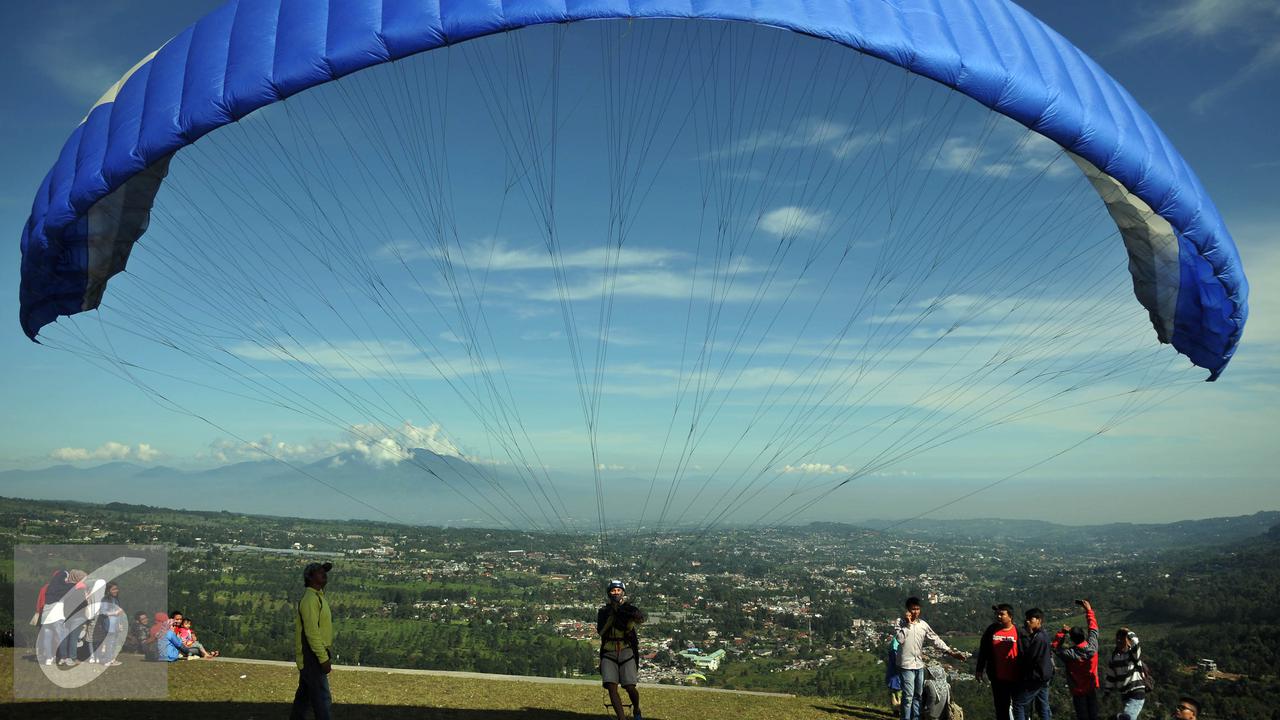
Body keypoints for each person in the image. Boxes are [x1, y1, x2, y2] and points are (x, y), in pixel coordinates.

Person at [894, 597, 968, 720]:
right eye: (913, 609)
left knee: (918, 695)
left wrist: (950, 652)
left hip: (918, 664)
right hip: (905, 665)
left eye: (917, 609)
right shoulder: (900, 622)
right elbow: (900, 639)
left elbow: (935, 639)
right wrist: (908, 624)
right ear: (907, 610)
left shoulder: (923, 625)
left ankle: (916, 717)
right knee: (908, 696)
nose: (915, 612)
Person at [597, 579, 645, 720]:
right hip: (608, 651)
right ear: (609, 593)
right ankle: (621, 718)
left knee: (630, 686)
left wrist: (634, 615)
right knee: (611, 687)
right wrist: (612, 617)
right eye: (613, 590)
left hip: (626, 650)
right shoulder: (604, 612)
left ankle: (636, 708)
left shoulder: (629, 609)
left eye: (618, 590)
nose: (616, 593)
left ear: (623, 592)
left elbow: (640, 619)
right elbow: (601, 632)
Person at [292, 561, 335, 720]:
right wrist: (323, 658)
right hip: (312, 657)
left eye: (325, 571)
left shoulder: (317, 598)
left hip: (312, 656)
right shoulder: (310, 600)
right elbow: (312, 633)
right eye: (319, 571)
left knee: (303, 699)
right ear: (310, 577)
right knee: (322, 699)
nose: (324, 574)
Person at [1052, 600, 1100, 720]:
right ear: (1084, 635)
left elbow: (1055, 648)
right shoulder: (1092, 648)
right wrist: (1089, 610)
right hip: (1091, 687)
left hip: (1078, 691)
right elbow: (1093, 629)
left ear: (1072, 639)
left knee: (1082, 716)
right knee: (1093, 715)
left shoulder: (1069, 654)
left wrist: (1062, 634)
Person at [976, 603, 1022, 720]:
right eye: (997, 614)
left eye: (1002, 614)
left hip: (1015, 676)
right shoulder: (991, 630)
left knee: (1018, 706)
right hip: (997, 677)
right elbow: (984, 651)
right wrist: (979, 669)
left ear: (1010, 616)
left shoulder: (1019, 632)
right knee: (1001, 707)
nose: (999, 616)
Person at [1015, 608, 1053, 720]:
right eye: (1026, 619)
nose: (1027, 621)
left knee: (1019, 704)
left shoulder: (1039, 638)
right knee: (1043, 706)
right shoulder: (1043, 635)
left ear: (1039, 620)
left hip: (1036, 677)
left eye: (1030, 619)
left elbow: (1030, 657)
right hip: (1044, 676)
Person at [1104, 628, 1146, 720]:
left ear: (1127, 641)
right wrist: (1107, 692)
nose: (1119, 640)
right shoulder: (1114, 657)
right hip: (1124, 694)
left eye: (1122, 638)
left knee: (1127, 717)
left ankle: (1115, 718)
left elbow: (1136, 642)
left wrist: (1129, 632)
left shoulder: (1133, 654)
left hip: (1136, 691)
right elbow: (1111, 676)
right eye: (1117, 638)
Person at [89, 581, 127, 665]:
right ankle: (107, 660)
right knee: (109, 643)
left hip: (116, 625)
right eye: (113, 589)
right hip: (108, 625)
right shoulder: (105, 599)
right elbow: (102, 612)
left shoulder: (116, 599)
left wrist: (120, 623)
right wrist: (115, 613)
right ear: (108, 590)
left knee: (114, 642)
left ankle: (111, 659)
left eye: (117, 589)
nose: (116, 591)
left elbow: (119, 612)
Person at [887, 636, 904, 712]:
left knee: (893, 693)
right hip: (898, 675)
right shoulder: (897, 651)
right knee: (899, 693)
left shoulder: (893, 645)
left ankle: (895, 709)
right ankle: (899, 708)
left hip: (891, 674)